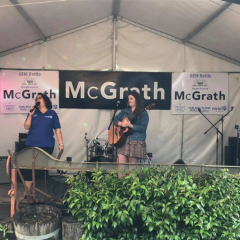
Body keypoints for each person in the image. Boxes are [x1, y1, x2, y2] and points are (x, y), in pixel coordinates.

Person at [23, 93, 64, 193]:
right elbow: (26, 127)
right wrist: (30, 115)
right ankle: (27, 192)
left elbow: (57, 129)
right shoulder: (33, 112)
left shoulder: (52, 113)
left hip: (46, 145)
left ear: (45, 100)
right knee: (28, 169)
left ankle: (39, 192)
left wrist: (61, 143)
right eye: (36, 99)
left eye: (40, 98)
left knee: (40, 169)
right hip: (31, 144)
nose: (37, 100)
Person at [114, 91, 149, 175]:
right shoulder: (125, 111)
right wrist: (121, 123)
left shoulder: (143, 113)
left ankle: (132, 185)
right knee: (121, 164)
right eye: (128, 99)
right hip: (123, 140)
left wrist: (131, 125)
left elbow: (142, 128)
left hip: (135, 141)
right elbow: (115, 119)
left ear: (137, 100)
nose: (129, 100)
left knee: (132, 167)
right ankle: (121, 183)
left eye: (131, 99)